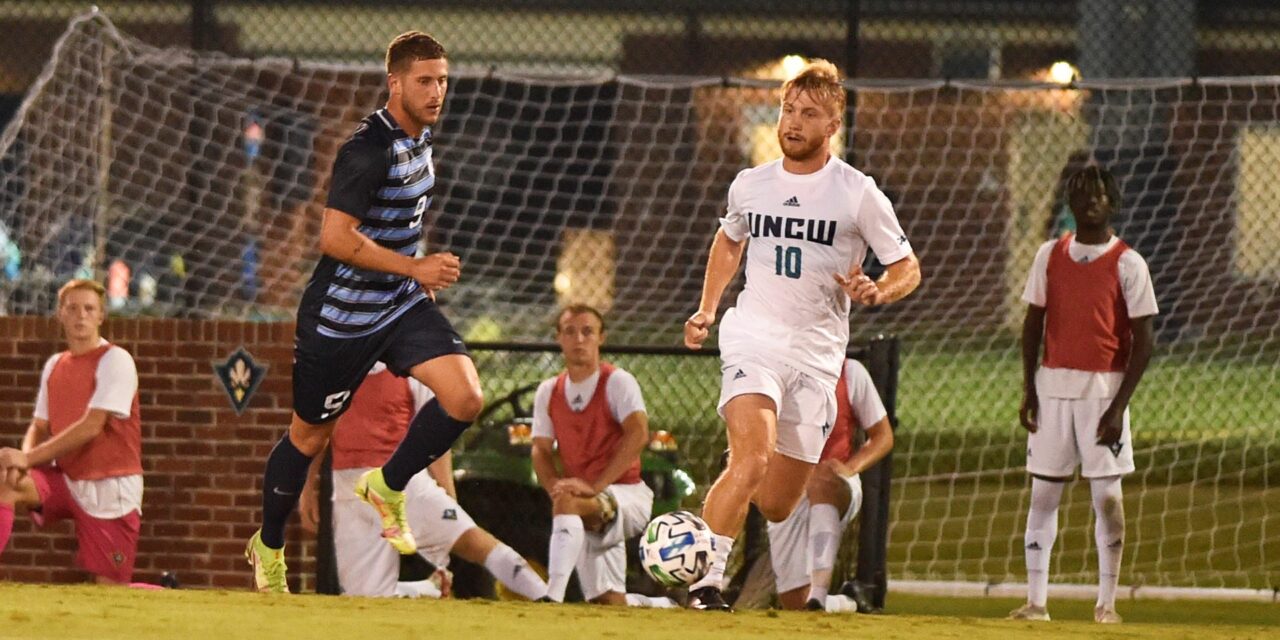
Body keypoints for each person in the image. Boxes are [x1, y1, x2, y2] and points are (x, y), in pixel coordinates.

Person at [246, 31, 485, 593]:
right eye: (424, 81)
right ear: (394, 83)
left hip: (397, 306)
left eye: (443, 80)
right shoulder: (366, 150)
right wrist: (415, 269)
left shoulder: (421, 140)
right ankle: (269, 545)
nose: (436, 91)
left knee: (465, 396)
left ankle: (388, 484)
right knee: (308, 438)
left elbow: (395, 225)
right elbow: (333, 237)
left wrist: (411, 274)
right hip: (341, 317)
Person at [682, 59, 921, 611]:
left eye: (808, 114)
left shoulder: (857, 193)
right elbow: (729, 242)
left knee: (775, 501)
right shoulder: (751, 184)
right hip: (753, 339)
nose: (793, 121)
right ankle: (704, 584)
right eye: (788, 109)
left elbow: (907, 266)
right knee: (750, 458)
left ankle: (733, 503)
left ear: (832, 125)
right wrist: (708, 309)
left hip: (816, 358)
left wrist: (880, 291)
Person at [1010, 165, 1156, 624]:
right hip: (1052, 388)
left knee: (1107, 499)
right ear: (1070, 203)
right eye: (1081, 193)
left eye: (1099, 194)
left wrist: (1118, 407)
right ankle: (1036, 602)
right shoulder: (1049, 255)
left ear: (1113, 202)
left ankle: (1106, 603)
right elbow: (1033, 324)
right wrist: (1029, 387)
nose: (1091, 200)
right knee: (1042, 497)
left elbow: (1144, 339)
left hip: (1102, 392)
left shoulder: (1129, 263)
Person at [298, 364, 549, 600]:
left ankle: (545, 599)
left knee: (472, 542)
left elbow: (436, 435)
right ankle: (427, 589)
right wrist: (307, 488)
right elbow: (315, 430)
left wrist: (447, 492)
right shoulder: (333, 365)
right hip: (349, 491)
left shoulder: (412, 366)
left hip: (405, 484)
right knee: (364, 598)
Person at [0, 279, 145, 586]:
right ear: (60, 314)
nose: (81, 315)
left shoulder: (116, 361)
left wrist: (26, 457)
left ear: (101, 316)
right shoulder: (55, 364)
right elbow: (38, 426)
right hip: (65, 479)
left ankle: (166, 595)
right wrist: (22, 463)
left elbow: (92, 426)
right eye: (73, 308)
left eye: (89, 309)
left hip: (111, 486)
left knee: (112, 590)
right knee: (5, 481)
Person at [532, 306, 670, 607]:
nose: (578, 339)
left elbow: (638, 434)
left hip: (626, 494)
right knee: (608, 603)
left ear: (601, 338)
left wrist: (594, 486)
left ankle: (551, 598)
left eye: (587, 331)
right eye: (570, 331)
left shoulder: (618, 382)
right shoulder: (548, 391)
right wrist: (555, 486)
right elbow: (540, 449)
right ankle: (663, 606)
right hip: (583, 501)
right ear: (559, 338)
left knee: (568, 502)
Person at [766, 358, 893, 611]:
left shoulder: (850, 372)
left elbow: (883, 436)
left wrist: (849, 468)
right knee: (794, 603)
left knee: (823, 477)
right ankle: (849, 602)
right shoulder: (772, 371)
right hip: (790, 489)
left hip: (836, 483)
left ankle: (819, 592)